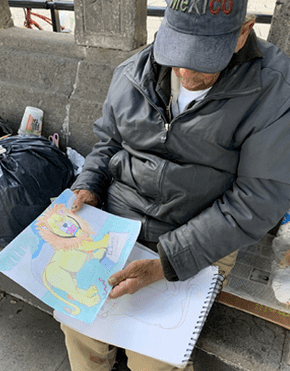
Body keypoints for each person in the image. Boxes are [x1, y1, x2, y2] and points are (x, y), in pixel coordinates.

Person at [62, 0, 290, 369]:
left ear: (242, 33)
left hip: (201, 233)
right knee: (78, 326)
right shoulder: (134, 70)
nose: (183, 69)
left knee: (154, 357)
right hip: (120, 222)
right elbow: (108, 143)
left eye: (203, 57)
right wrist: (87, 184)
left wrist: (166, 262)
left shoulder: (276, 90)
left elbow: (257, 200)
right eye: (177, 49)